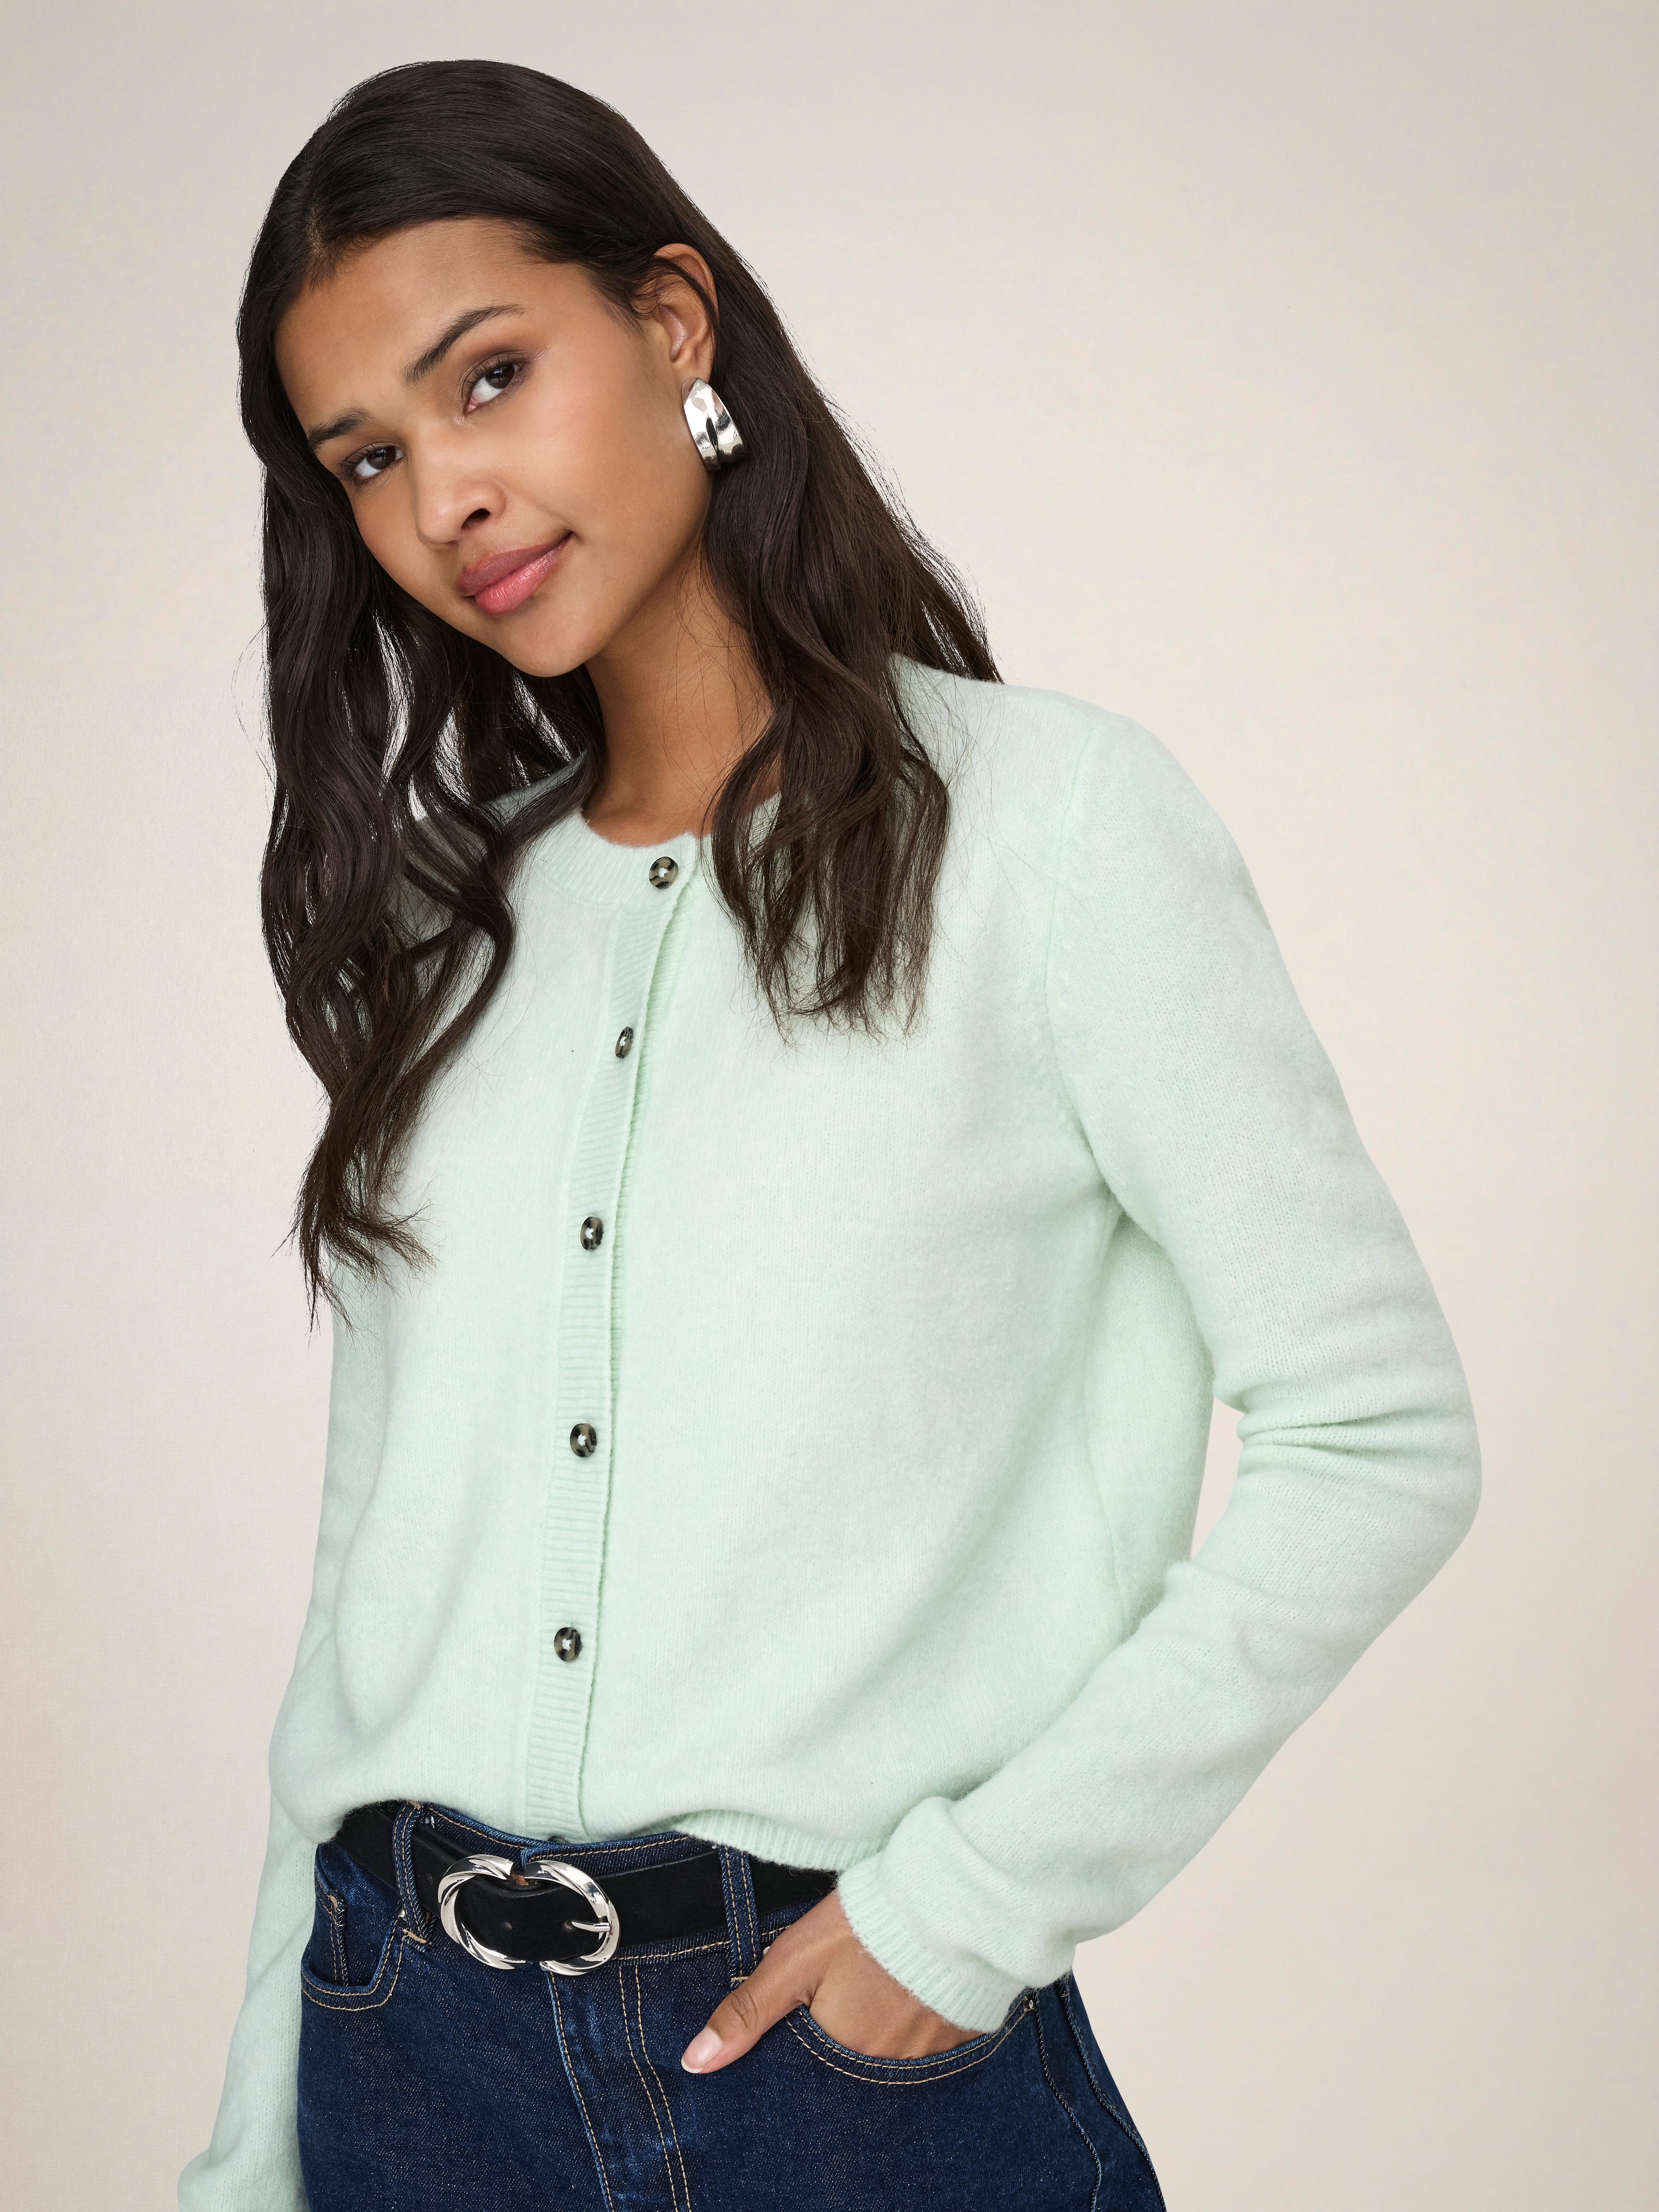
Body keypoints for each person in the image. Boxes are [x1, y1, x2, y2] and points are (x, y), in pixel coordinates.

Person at [180, 57, 1481, 2212]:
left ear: (672, 320)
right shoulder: (445, 927)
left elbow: (1381, 1434)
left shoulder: (1055, 834)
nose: (447, 499)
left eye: (490, 377)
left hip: (835, 2077)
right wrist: (256, 2147)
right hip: (404, 2052)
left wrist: (967, 1908)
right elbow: (365, 1598)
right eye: (372, 459)